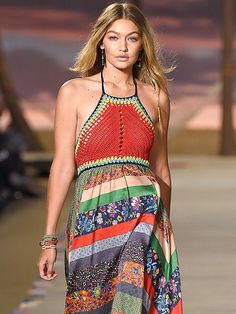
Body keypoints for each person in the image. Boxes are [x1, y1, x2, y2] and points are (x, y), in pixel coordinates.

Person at [37, 2, 183, 313]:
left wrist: (163, 230)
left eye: (132, 38)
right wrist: (49, 239)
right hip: (92, 218)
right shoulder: (74, 92)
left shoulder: (156, 97)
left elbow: (161, 170)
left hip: (144, 215)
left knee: (132, 301)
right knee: (91, 305)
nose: (123, 47)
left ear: (142, 43)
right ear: (101, 40)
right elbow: (63, 166)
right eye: (114, 37)